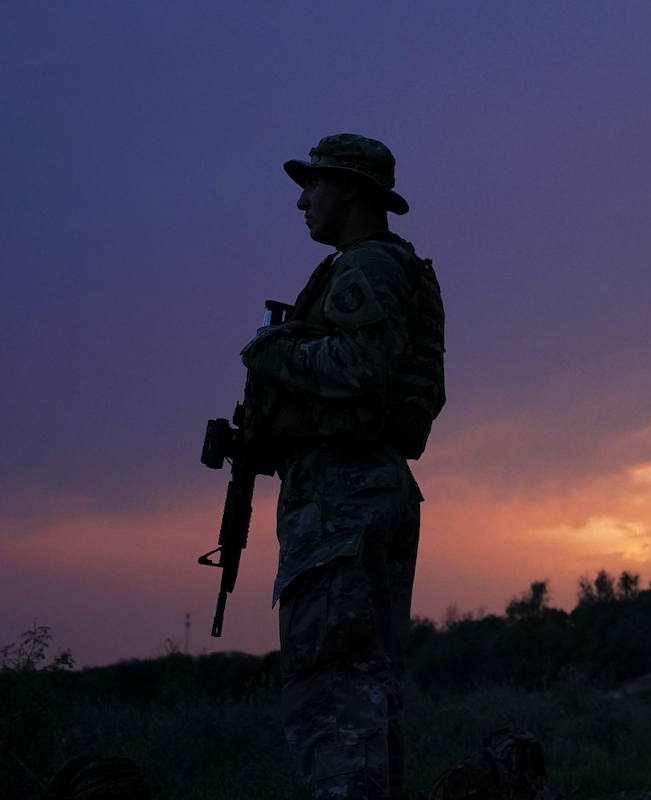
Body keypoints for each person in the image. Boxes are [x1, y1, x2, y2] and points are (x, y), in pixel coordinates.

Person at [240, 133, 446, 799]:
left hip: (345, 500)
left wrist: (269, 352)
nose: (303, 201)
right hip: (356, 493)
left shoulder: (370, 266)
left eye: (315, 185)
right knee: (364, 694)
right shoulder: (378, 267)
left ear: (352, 190)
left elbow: (361, 368)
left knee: (332, 696)